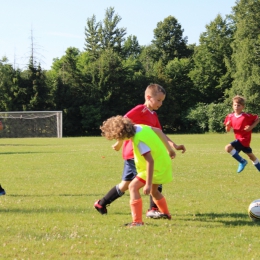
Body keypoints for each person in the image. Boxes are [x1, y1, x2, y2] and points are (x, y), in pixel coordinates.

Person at [94, 84, 186, 218]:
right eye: (159, 100)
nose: (161, 103)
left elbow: (159, 133)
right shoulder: (139, 109)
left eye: (162, 101)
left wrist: (173, 146)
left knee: (125, 184)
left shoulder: (153, 115)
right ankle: (152, 210)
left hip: (142, 153)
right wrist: (119, 143)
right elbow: (122, 124)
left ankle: (102, 203)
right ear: (149, 97)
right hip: (135, 154)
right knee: (152, 178)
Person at [100, 115, 175, 226]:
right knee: (154, 192)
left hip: (155, 168)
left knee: (133, 187)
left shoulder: (139, 140)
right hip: (163, 164)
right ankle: (166, 214)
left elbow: (150, 161)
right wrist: (170, 149)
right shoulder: (140, 127)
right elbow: (158, 131)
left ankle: (137, 222)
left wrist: (148, 184)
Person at [224, 95, 260, 173]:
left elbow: (258, 119)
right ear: (232, 106)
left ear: (243, 107)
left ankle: (242, 161)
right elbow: (227, 130)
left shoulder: (246, 116)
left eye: (239, 105)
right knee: (251, 157)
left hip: (245, 139)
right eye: (235, 105)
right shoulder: (230, 116)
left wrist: (250, 127)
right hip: (239, 139)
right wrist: (227, 126)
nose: (236, 107)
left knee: (228, 148)